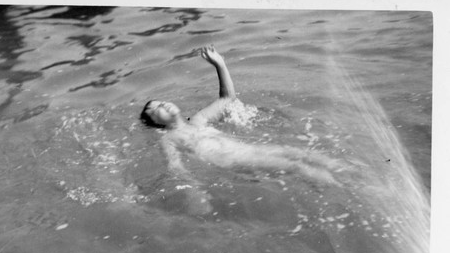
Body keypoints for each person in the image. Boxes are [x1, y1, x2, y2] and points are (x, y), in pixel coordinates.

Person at [140, 45, 344, 214]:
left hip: (253, 150)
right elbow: (176, 167)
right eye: (153, 109)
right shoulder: (168, 139)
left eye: (160, 101)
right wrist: (196, 192)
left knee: (303, 154)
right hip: (236, 161)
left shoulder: (198, 120)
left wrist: (220, 64)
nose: (160, 104)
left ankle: (350, 174)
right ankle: (346, 191)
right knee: (298, 167)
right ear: (155, 123)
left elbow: (227, 99)